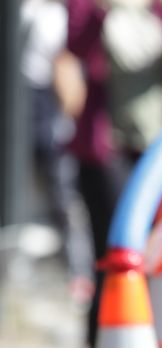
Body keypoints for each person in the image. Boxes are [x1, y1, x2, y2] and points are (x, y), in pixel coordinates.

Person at [65, 0, 162, 348]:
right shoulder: (92, 8)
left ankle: (152, 344)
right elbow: (74, 43)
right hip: (106, 145)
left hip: (158, 141)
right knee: (112, 249)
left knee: (155, 247)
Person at [21, 0, 95, 304]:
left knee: (65, 197)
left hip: (54, 109)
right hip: (29, 103)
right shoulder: (34, 11)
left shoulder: (63, 15)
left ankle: (78, 271)